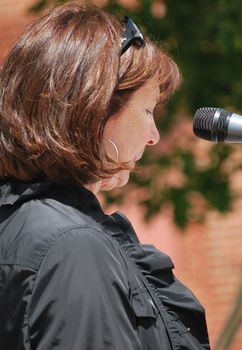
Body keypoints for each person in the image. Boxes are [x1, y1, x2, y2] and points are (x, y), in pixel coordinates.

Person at [0, 3, 210, 349]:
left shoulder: (19, 224)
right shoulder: (71, 245)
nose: (153, 135)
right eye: (145, 110)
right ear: (94, 108)